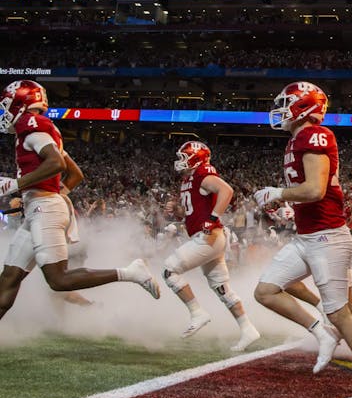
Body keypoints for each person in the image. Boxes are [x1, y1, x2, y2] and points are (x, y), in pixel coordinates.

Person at [253, 81, 352, 398]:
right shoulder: (296, 140)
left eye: (287, 103)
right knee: (266, 290)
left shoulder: (315, 134)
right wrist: (284, 202)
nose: (281, 109)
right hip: (308, 235)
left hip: (327, 236)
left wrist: (279, 193)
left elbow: (315, 190)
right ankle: (319, 331)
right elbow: (307, 194)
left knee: (340, 310)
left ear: (304, 107)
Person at [0, 80, 159, 322]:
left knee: (58, 279)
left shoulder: (31, 126)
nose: (5, 112)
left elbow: (57, 164)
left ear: (20, 103)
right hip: (41, 207)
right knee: (9, 278)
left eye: (7, 105)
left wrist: (17, 185)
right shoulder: (42, 130)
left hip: (45, 210)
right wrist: (48, 193)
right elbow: (75, 174)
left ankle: (130, 272)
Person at [163, 141, 260, 352]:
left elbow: (226, 190)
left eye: (185, 156)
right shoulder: (189, 178)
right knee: (222, 288)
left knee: (170, 270)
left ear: (196, 157)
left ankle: (197, 313)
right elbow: (194, 210)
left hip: (208, 237)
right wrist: (179, 211)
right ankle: (248, 329)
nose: (181, 161)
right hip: (208, 237)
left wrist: (212, 217)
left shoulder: (203, 174)